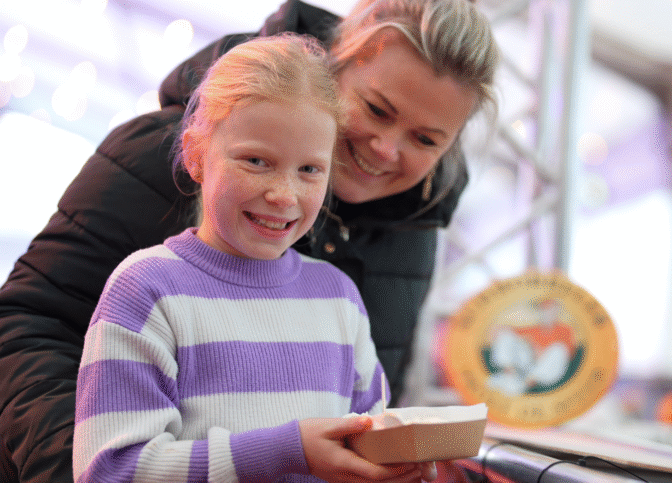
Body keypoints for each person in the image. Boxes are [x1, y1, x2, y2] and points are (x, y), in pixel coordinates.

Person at [0, 0, 499, 481]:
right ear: (333, 67)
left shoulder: (411, 232)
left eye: (426, 139)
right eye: (376, 108)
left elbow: (358, 418)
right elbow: (30, 325)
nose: (388, 149)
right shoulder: (162, 161)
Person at [74, 33, 434, 483]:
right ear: (196, 154)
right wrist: (286, 451)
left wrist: (396, 466)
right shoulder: (146, 289)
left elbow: (366, 446)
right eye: (256, 161)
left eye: (309, 170)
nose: (284, 195)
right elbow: (111, 471)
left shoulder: (339, 297)